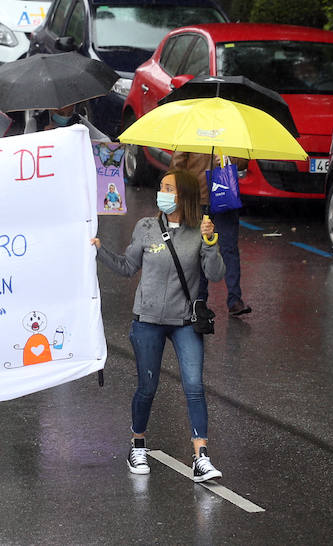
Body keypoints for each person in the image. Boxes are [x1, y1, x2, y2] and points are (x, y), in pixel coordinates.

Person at [92, 170, 224, 483]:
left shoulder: (199, 232)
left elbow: (216, 274)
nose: (161, 193)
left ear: (184, 197)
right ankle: (137, 445)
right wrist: (98, 250)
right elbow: (126, 267)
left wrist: (209, 242)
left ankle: (201, 456)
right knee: (147, 387)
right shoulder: (147, 228)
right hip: (148, 321)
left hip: (184, 323)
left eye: (168, 188)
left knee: (194, 386)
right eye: (162, 187)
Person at [170, 149, 249, 316]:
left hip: (224, 196)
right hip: (197, 198)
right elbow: (177, 164)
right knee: (198, 249)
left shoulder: (230, 129)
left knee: (229, 248)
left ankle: (235, 300)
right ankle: (200, 300)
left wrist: (229, 158)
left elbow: (244, 160)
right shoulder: (192, 129)